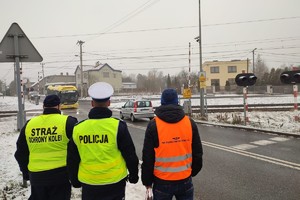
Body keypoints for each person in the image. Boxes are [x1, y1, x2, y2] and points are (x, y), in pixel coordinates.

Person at [67, 82, 139, 200]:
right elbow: (130, 154)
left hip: (89, 184)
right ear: (109, 103)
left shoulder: (78, 128)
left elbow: (72, 159)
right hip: (115, 183)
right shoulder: (118, 126)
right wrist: (133, 175)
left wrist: (74, 180)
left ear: (92, 103)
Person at [141, 88, 203, 200]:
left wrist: (147, 181)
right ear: (177, 101)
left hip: (162, 182)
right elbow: (198, 152)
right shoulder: (189, 123)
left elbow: (148, 157)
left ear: (162, 101)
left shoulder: (153, 125)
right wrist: (192, 172)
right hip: (185, 180)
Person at [14, 94, 78, 200]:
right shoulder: (68, 122)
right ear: (59, 106)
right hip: (60, 176)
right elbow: (77, 150)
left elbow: (20, 152)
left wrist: (26, 173)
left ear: (43, 106)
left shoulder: (30, 124)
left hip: (37, 177)